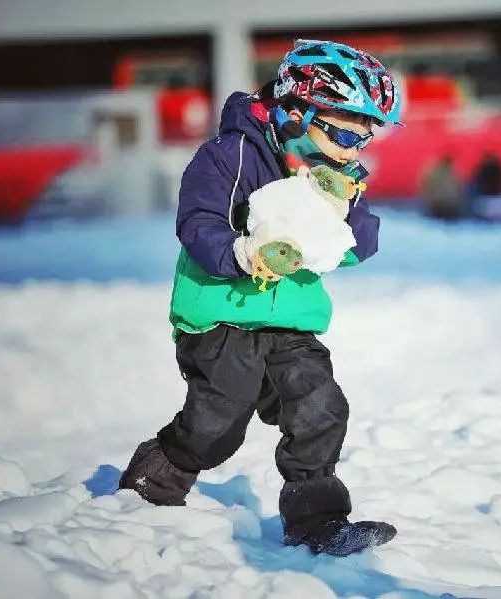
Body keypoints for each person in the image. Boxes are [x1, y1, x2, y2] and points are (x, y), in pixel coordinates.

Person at [118, 39, 402, 557]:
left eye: (364, 138)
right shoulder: (232, 155)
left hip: (291, 321)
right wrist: (246, 253)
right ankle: (148, 488)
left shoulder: (335, 175)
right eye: (342, 132)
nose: (352, 149)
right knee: (216, 426)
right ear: (296, 111)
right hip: (223, 313)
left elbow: (357, 246)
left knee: (319, 408)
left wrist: (344, 209)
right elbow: (198, 224)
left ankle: (318, 522)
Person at [469, 152, 501, 222]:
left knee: (497, 218)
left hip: (496, 196)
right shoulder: (484, 169)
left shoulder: (496, 168)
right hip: (488, 196)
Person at [421, 154, 464, 221]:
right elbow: (458, 188)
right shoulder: (452, 172)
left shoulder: (433, 171)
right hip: (447, 203)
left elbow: (426, 186)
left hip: (438, 202)